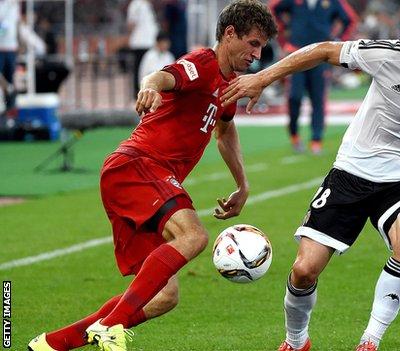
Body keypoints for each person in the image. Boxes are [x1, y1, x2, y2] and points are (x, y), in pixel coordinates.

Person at [27, 1, 277, 351]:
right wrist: (148, 87)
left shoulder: (229, 84)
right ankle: (111, 324)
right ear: (230, 34)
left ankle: (50, 344)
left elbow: (225, 130)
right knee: (193, 237)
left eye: (262, 46)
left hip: (138, 176)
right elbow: (162, 76)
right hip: (138, 165)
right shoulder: (203, 63)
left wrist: (242, 184)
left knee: (164, 296)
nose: (258, 53)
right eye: (253, 43)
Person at [222, 13, 400, 351]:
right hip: (351, 171)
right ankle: (296, 341)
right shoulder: (391, 54)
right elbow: (325, 50)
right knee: (304, 270)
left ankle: (369, 341)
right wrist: (264, 77)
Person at [269, 0, 358, 154]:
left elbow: (350, 20)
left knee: (318, 99)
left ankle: (316, 140)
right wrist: (282, 35)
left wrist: (339, 43)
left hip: (322, 57)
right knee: (294, 97)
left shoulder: (333, 2)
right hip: (296, 54)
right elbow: (272, 9)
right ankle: (294, 134)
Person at [126, 0, 159, 97]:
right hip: (140, 43)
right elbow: (131, 24)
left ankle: (147, 89)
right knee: (140, 69)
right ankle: (138, 91)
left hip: (149, 42)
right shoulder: (136, 4)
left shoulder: (147, 4)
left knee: (148, 68)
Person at [0, 0, 20, 113]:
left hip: (11, 47)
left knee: (10, 76)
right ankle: (8, 88)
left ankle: (10, 109)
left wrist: (20, 41)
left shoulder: (14, 5)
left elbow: (16, 24)